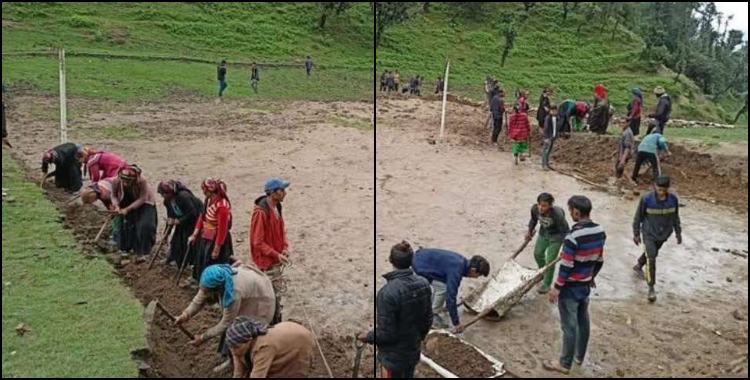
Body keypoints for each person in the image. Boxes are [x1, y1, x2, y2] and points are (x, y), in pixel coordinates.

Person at [543, 195, 606, 374]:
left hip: (570, 287)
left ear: (576, 212)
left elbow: (567, 265)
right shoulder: (600, 231)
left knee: (569, 326)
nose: (570, 213)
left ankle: (564, 364)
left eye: (570, 210)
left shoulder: (572, 236)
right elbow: (599, 259)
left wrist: (556, 287)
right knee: (583, 321)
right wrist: (592, 276)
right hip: (585, 285)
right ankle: (579, 356)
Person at [175, 264, 276, 370]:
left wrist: (203, 337)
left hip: (261, 300)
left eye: (207, 292)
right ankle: (232, 358)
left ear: (217, 290)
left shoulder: (234, 293)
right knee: (232, 328)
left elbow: (226, 323)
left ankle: (245, 364)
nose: (204, 293)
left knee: (243, 332)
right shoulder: (217, 279)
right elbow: (199, 298)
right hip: (250, 289)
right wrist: (185, 315)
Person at [357, 241, 432, 378]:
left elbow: (387, 334)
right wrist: (417, 339)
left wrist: (368, 337)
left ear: (391, 260)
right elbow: (427, 320)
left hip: (393, 358)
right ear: (411, 260)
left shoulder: (387, 293)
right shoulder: (424, 284)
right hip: (413, 352)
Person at [412, 247, 490, 333]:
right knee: (443, 288)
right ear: (473, 270)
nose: (476, 278)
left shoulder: (461, 261)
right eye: (478, 275)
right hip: (418, 265)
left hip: (420, 257)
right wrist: (456, 323)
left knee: (442, 285)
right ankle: (433, 315)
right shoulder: (456, 270)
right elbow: (451, 297)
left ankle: (431, 308)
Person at [632, 175, 682, 302]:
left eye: (663, 190)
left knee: (652, 254)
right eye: (659, 189)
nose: (660, 192)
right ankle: (651, 288)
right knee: (652, 259)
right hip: (648, 233)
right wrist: (636, 233)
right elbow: (638, 217)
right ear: (655, 186)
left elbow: (676, 217)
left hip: (664, 234)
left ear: (667, 189)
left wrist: (678, 233)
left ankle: (639, 264)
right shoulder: (646, 199)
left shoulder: (673, 200)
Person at [250, 177, 291, 324]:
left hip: (275, 259)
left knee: (276, 295)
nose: (285, 193)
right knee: (269, 297)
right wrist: (276, 254)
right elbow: (257, 242)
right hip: (267, 262)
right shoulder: (261, 213)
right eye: (282, 190)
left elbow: (281, 230)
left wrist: (284, 247)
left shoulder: (276, 207)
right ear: (273, 193)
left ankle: (275, 321)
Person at [226, 316, 313, 378]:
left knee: (290, 371)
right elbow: (238, 371)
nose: (233, 351)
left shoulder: (263, 346)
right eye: (231, 347)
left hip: (299, 339)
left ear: (249, 340)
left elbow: (258, 375)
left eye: (236, 347)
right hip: (285, 332)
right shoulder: (236, 346)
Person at [189, 178, 233, 281]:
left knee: (212, 262)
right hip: (206, 236)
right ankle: (200, 280)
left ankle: (212, 284)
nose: (203, 192)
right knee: (202, 259)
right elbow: (202, 216)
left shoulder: (222, 206)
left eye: (204, 189)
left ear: (208, 190)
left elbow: (222, 229)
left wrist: (216, 248)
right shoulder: (208, 200)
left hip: (217, 239)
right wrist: (195, 233)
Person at [111, 165, 158, 261]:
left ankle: (144, 252)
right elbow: (113, 195)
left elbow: (142, 198)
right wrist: (116, 206)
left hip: (145, 203)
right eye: (123, 180)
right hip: (126, 201)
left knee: (145, 226)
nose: (125, 183)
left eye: (128, 181)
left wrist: (128, 209)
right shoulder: (115, 181)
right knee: (125, 224)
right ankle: (125, 248)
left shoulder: (142, 182)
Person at [526, 193, 570, 294]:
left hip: (556, 236)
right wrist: (529, 231)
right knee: (537, 254)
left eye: (544, 206)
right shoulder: (535, 209)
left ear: (550, 206)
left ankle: (547, 283)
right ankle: (542, 272)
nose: (541, 208)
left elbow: (565, 231)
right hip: (544, 232)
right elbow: (533, 220)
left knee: (550, 260)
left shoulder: (557, 215)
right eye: (540, 205)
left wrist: (565, 247)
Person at [157, 180, 203, 267]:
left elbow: (192, 212)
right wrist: (166, 234)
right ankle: (175, 259)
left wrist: (179, 221)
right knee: (176, 241)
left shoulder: (183, 197)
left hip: (194, 220)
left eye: (165, 194)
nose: (163, 196)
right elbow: (170, 217)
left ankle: (190, 262)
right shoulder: (167, 201)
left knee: (188, 242)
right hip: (182, 221)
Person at [81, 177, 122, 246]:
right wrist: (110, 209)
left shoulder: (104, 193)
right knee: (115, 215)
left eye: (91, 202)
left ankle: (117, 238)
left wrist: (114, 208)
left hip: (121, 190)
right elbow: (106, 202)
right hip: (114, 188)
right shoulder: (96, 188)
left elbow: (115, 199)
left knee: (118, 217)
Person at [541, 104, 560, 171]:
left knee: (549, 151)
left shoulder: (557, 118)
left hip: (553, 136)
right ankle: (544, 165)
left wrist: (556, 136)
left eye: (555, 110)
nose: (554, 112)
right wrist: (546, 137)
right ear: (550, 111)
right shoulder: (548, 118)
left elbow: (557, 127)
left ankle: (547, 163)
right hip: (548, 137)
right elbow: (546, 128)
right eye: (553, 110)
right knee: (545, 150)